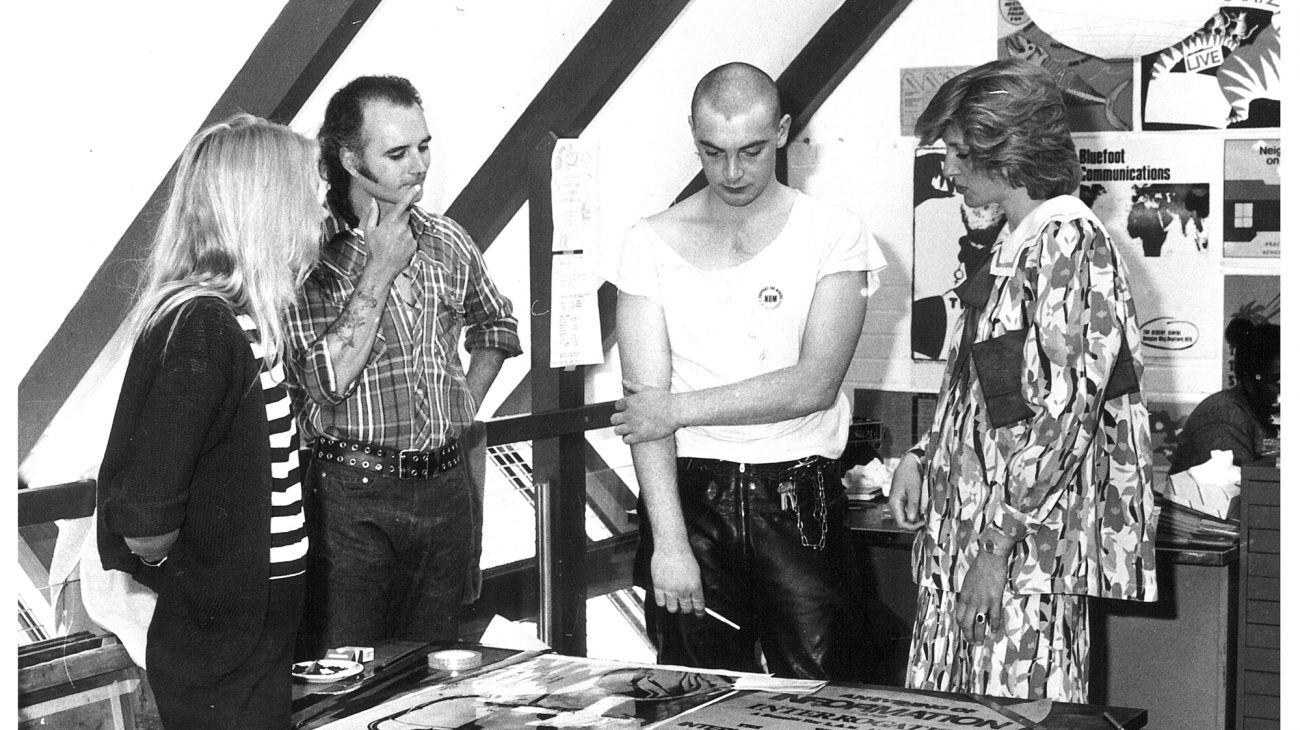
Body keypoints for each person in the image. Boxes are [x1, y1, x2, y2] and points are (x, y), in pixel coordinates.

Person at [603, 62, 886, 679]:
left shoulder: (835, 233)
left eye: (751, 152)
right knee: (694, 697)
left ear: (783, 132)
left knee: (818, 701)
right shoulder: (648, 242)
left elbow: (814, 384)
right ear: (693, 137)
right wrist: (670, 543)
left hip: (800, 499)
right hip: (690, 503)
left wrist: (676, 407)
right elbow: (643, 408)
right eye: (714, 152)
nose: (732, 173)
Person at [887, 58, 1159, 701]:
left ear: (1004, 151)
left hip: (1018, 557)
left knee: (1015, 711)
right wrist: (923, 456)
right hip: (970, 539)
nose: (946, 169)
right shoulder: (1019, 241)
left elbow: (1065, 413)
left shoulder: (1070, 241)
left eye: (956, 152)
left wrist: (997, 543)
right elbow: (984, 395)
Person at [96, 114, 324, 728]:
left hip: (255, 629)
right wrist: (214, 581)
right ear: (265, 208)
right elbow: (145, 517)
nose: (320, 215)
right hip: (222, 638)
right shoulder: (202, 323)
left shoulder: (242, 321)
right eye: (308, 196)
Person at [286, 75, 522, 656]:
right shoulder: (303, 258)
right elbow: (324, 382)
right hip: (351, 497)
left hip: (445, 491)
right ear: (348, 159)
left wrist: (466, 400)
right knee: (346, 676)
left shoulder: (446, 240)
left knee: (432, 672)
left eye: (423, 146)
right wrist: (381, 268)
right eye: (396, 154)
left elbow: (496, 322)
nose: (418, 167)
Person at [1168, 319, 1280, 474]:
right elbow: (1246, 492)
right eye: (1279, 380)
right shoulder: (1223, 417)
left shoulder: (1269, 412)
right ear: (1249, 382)